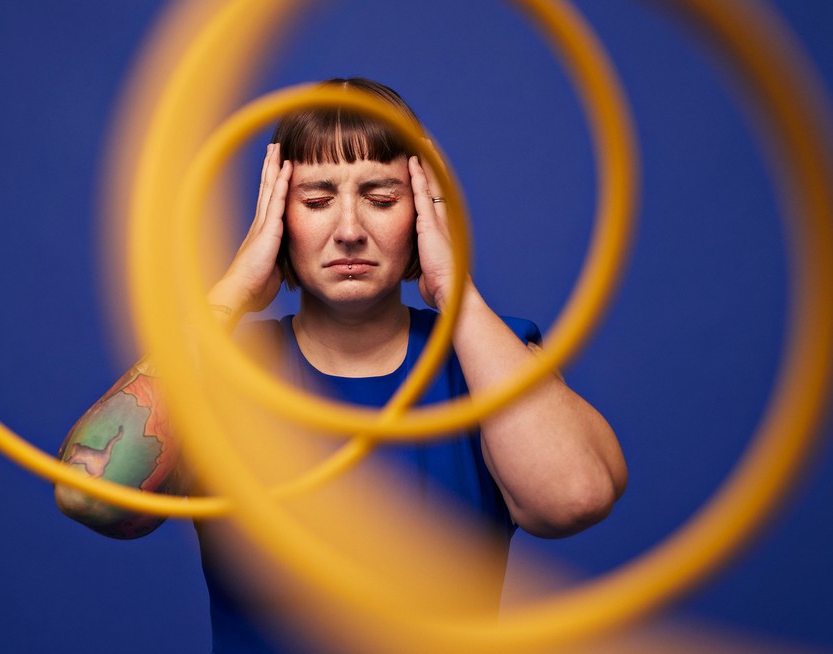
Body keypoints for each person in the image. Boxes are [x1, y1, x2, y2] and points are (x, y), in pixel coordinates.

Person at [55, 77, 627, 653]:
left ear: (423, 214)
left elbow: (575, 498)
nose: (349, 230)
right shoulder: (223, 375)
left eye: (380, 198)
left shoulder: (485, 360)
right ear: (277, 221)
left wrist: (458, 292)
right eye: (316, 201)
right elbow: (91, 495)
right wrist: (227, 294)